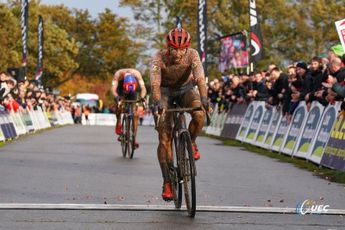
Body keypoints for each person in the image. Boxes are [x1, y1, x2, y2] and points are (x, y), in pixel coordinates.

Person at [150, 27, 209, 201]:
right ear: (168, 47)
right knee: (164, 138)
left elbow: (199, 78)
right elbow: (154, 84)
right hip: (164, 92)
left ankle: (191, 141)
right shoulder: (158, 57)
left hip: (186, 90)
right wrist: (158, 102)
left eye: (181, 49)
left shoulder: (192, 54)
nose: (178, 53)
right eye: (174, 49)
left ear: (187, 47)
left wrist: (204, 98)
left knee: (199, 113)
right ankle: (167, 181)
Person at [111, 68, 147, 148]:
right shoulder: (118, 74)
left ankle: (133, 138)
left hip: (132, 92)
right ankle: (119, 120)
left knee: (135, 114)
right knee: (119, 105)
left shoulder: (137, 74)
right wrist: (117, 97)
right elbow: (113, 89)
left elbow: (143, 88)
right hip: (120, 90)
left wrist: (142, 97)